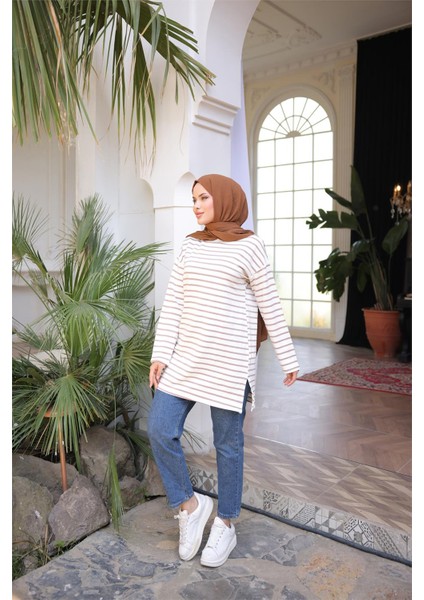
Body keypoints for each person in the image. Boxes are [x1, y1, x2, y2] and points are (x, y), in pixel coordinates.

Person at [148, 174, 299, 568]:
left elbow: (270, 304)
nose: (196, 206)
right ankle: (190, 506)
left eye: (203, 198)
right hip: (186, 357)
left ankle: (226, 523)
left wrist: (288, 358)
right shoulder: (190, 245)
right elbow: (174, 303)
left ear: (226, 200)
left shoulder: (250, 246)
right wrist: (160, 355)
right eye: (193, 199)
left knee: (228, 446)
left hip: (230, 364)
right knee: (160, 428)